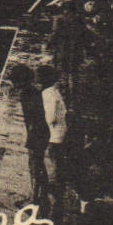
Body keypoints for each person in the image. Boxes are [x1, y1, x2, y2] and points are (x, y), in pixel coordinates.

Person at [8, 63, 52, 205]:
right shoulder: (32, 92)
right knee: (38, 163)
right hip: (40, 132)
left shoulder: (27, 94)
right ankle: (42, 192)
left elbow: (33, 118)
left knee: (34, 164)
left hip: (37, 133)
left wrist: (31, 138)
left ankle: (34, 198)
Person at [38, 62, 69, 213]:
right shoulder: (55, 92)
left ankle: (56, 188)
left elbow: (49, 118)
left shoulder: (47, 94)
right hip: (61, 130)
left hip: (54, 133)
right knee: (58, 159)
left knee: (54, 159)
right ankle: (58, 184)